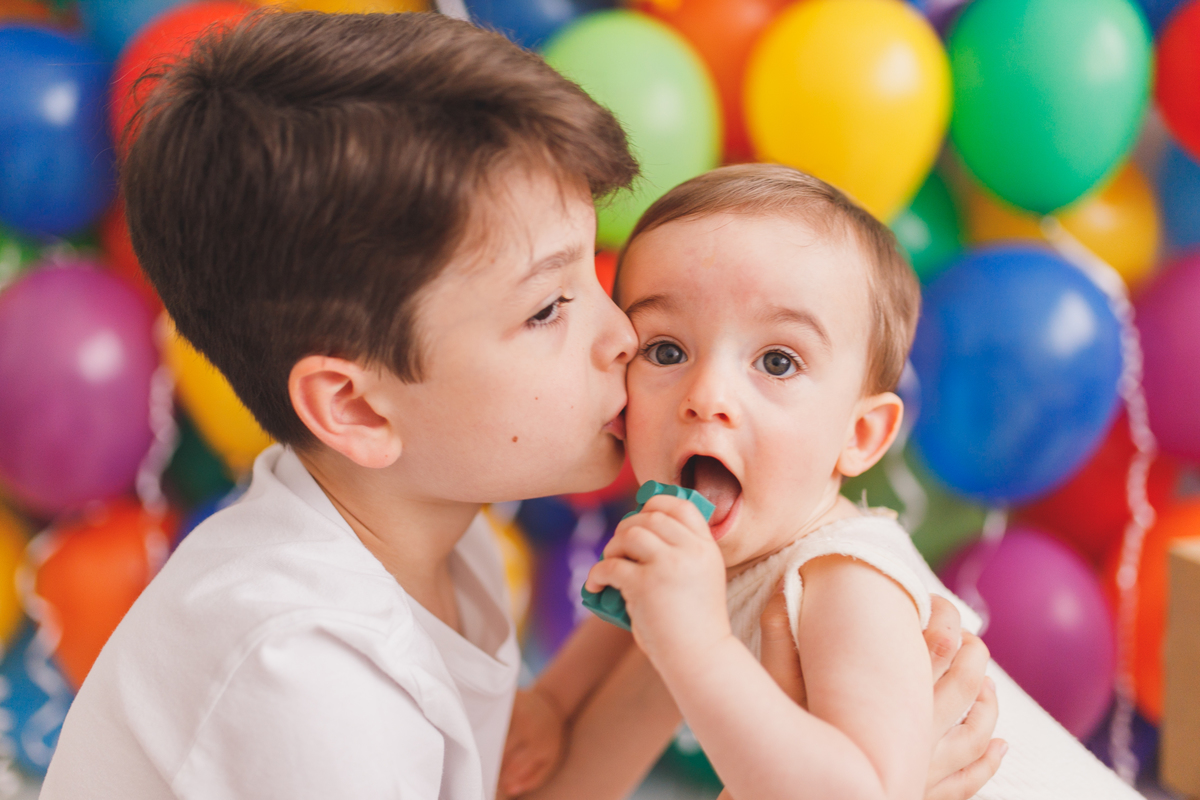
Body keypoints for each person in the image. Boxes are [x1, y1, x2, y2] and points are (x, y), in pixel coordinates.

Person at [41, 13, 996, 799]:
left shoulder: (433, 532)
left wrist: (711, 655)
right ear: (360, 411)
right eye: (548, 307)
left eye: (594, 270)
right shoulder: (305, 681)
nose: (621, 335)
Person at [506, 165, 1142, 800]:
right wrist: (551, 707)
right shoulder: (709, 543)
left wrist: (698, 647)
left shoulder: (844, 579)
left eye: (777, 362)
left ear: (859, 436)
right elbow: (627, 620)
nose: (707, 396)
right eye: (667, 351)